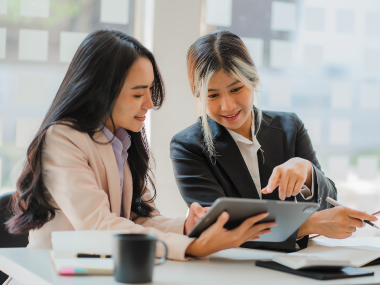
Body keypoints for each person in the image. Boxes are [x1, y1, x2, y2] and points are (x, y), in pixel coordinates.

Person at [4, 29, 277, 285]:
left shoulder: (123, 139)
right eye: (138, 93)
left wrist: (186, 226)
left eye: (149, 90)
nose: (149, 103)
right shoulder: (61, 139)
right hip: (51, 277)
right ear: (102, 93)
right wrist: (192, 246)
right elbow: (99, 225)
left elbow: (140, 217)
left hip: (107, 275)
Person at [170, 30, 377, 252]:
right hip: (232, 268)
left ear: (253, 79)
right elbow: (219, 227)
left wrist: (307, 171)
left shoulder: (289, 126)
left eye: (236, 89)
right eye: (212, 95)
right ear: (198, 95)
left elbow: (328, 203)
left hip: (297, 264)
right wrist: (310, 225)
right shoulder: (188, 146)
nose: (227, 105)